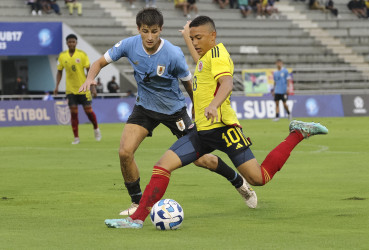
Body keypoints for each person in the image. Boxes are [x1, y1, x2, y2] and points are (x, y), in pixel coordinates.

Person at [103, 16, 328, 229]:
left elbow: (227, 83)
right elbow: (200, 63)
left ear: (213, 35)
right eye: (192, 38)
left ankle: (297, 133)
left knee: (259, 178)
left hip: (224, 130)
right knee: (162, 166)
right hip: (202, 132)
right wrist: (186, 38)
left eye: (198, 38)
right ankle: (137, 219)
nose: (195, 42)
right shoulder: (206, 58)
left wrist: (214, 105)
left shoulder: (219, 56)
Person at [79, 8, 257, 217]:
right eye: (145, 31)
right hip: (144, 108)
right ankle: (137, 202)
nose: (150, 37)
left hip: (174, 111)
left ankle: (238, 181)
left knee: (202, 159)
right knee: (125, 152)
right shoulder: (129, 45)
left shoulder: (172, 54)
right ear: (139, 29)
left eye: (155, 31)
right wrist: (90, 78)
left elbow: (190, 85)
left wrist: (199, 113)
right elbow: (99, 62)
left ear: (161, 29)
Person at [54, 34, 101, 145]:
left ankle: (96, 129)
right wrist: (56, 86)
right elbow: (59, 72)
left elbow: (90, 72)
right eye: (69, 42)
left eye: (73, 42)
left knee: (88, 111)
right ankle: (76, 138)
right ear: (66, 43)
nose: (71, 44)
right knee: (74, 114)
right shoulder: (62, 56)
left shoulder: (82, 55)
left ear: (76, 43)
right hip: (70, 90)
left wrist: (93, 88)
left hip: (84, 89)